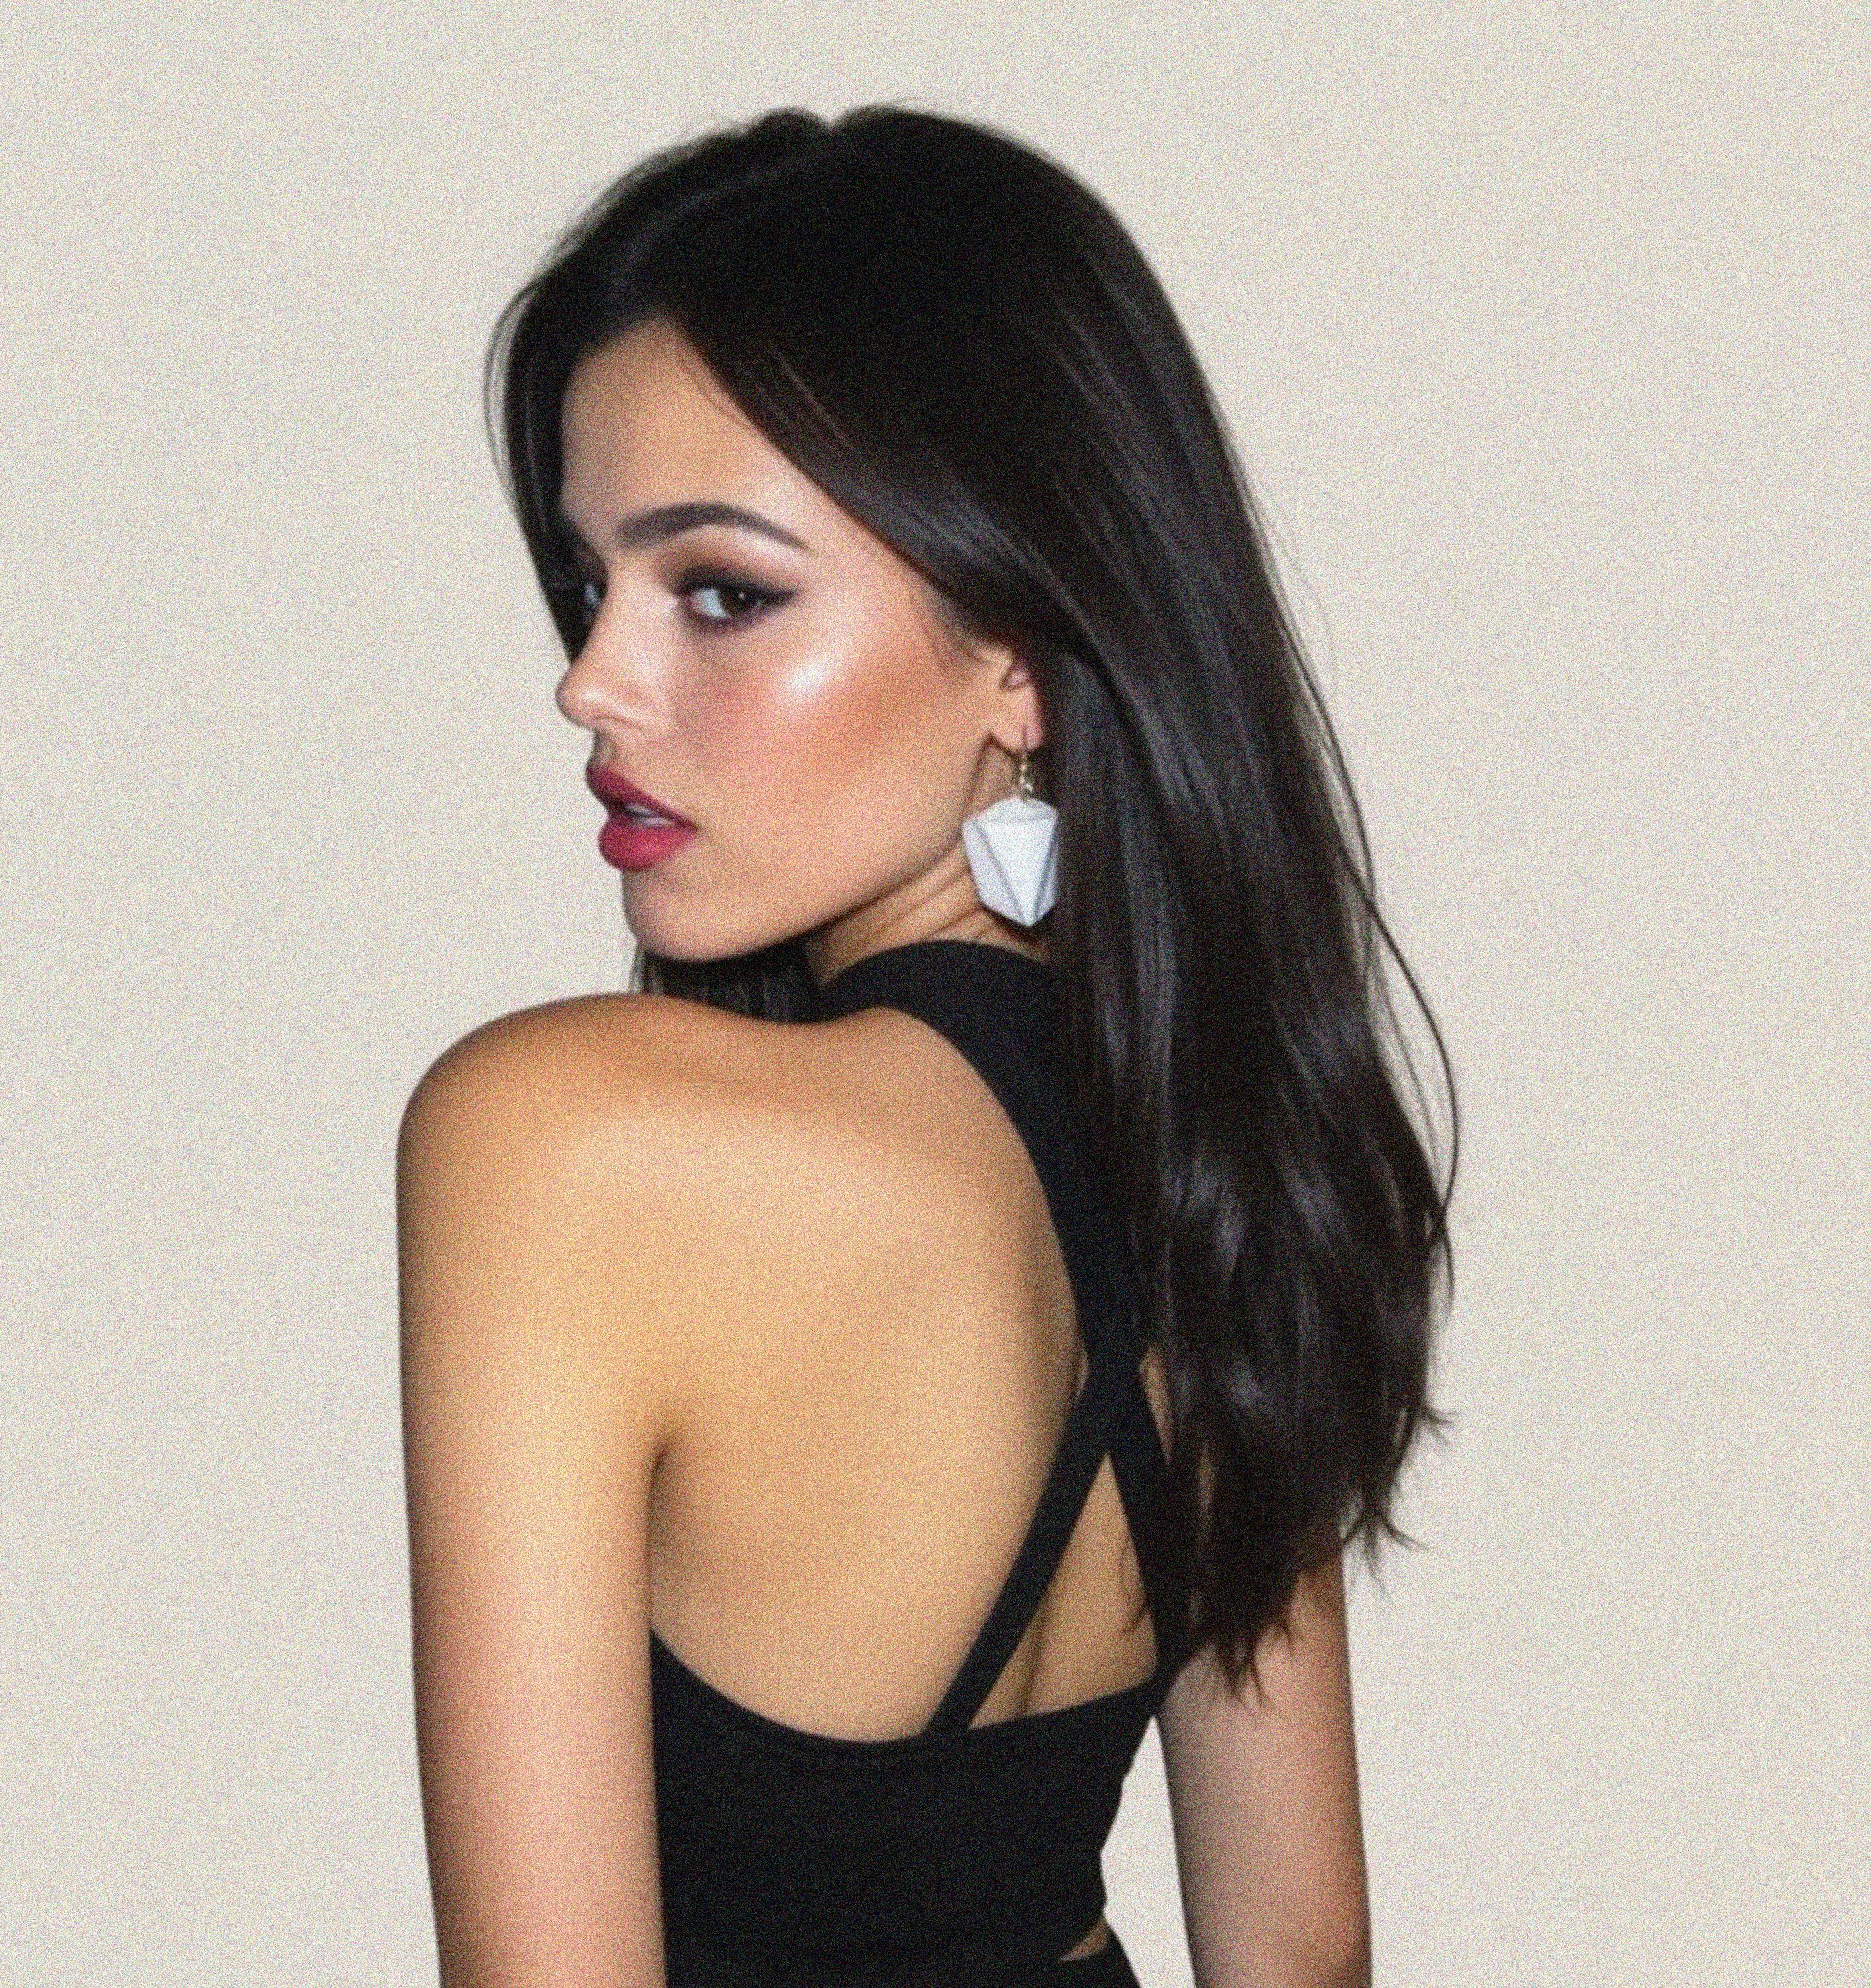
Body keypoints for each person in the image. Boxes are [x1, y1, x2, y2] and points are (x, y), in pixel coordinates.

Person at [396, 105, 1455, 1988]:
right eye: (589, 585)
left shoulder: (559, 1141)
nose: (592, 680)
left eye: (721, 591)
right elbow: (1303, 1949)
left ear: (1022, 658)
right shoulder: (1217, 1164)